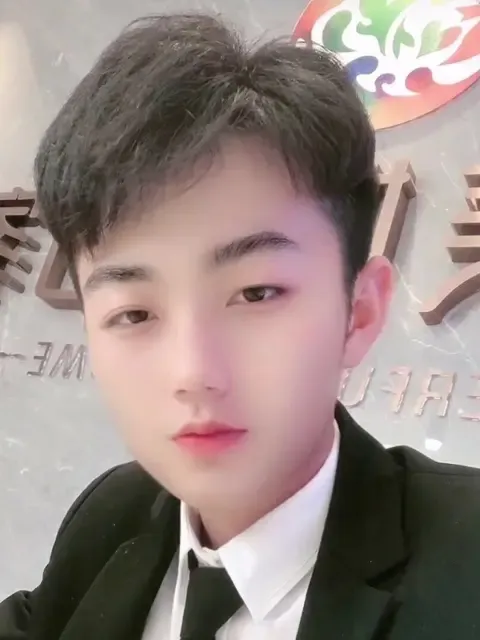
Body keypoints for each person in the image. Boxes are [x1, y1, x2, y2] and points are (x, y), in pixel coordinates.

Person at [1, 12, 480, 640]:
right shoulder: (114, 516)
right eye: (134, 313)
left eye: (256, 293)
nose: (193, 372)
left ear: (360, 310)